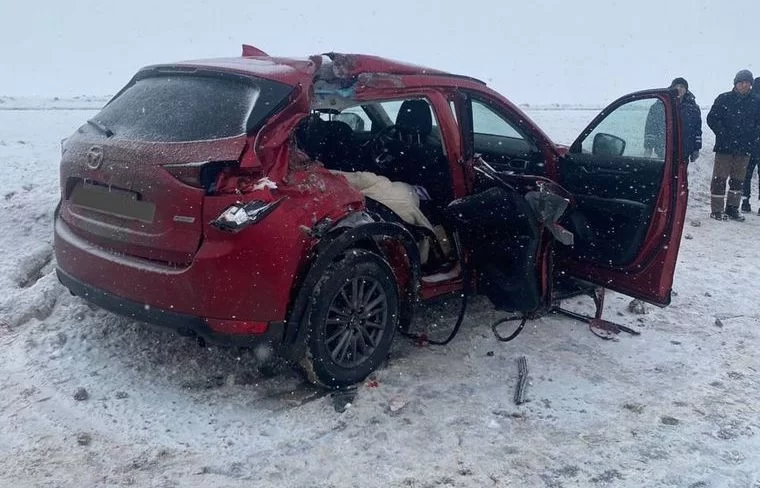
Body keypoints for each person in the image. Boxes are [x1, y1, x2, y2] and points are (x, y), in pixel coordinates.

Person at [706, 70, 760, 221]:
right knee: (719, 179)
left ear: (751, 85)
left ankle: (732, 208)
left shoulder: (756, 102)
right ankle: (716, 210)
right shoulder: (724, 99)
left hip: (745, 148)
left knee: (738, 180)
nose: (744, 85)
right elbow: (712, 118)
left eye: (748, 82)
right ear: (735, 83)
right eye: (741, 82)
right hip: (725, 147)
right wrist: (723, 134)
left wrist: (752, 136)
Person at [644, 77, 702, 163]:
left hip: (684, 152)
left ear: (686, 90)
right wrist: (649, 147)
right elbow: (651, 127)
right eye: (676, 86)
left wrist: (696, 149)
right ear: (672, 88)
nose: (679, 88)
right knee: (664, 175)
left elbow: (697, 130)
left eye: (682, 86)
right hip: (663, 152)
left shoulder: (693, 108)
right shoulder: (659, 106)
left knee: (681, 175)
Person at [740, 76, 760, 213]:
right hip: (752, 142)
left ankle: (745, 201)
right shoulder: (753, 101)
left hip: (749, 143)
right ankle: (746, 201)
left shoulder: (751, 99)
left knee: (746, 174)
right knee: (746, 174)